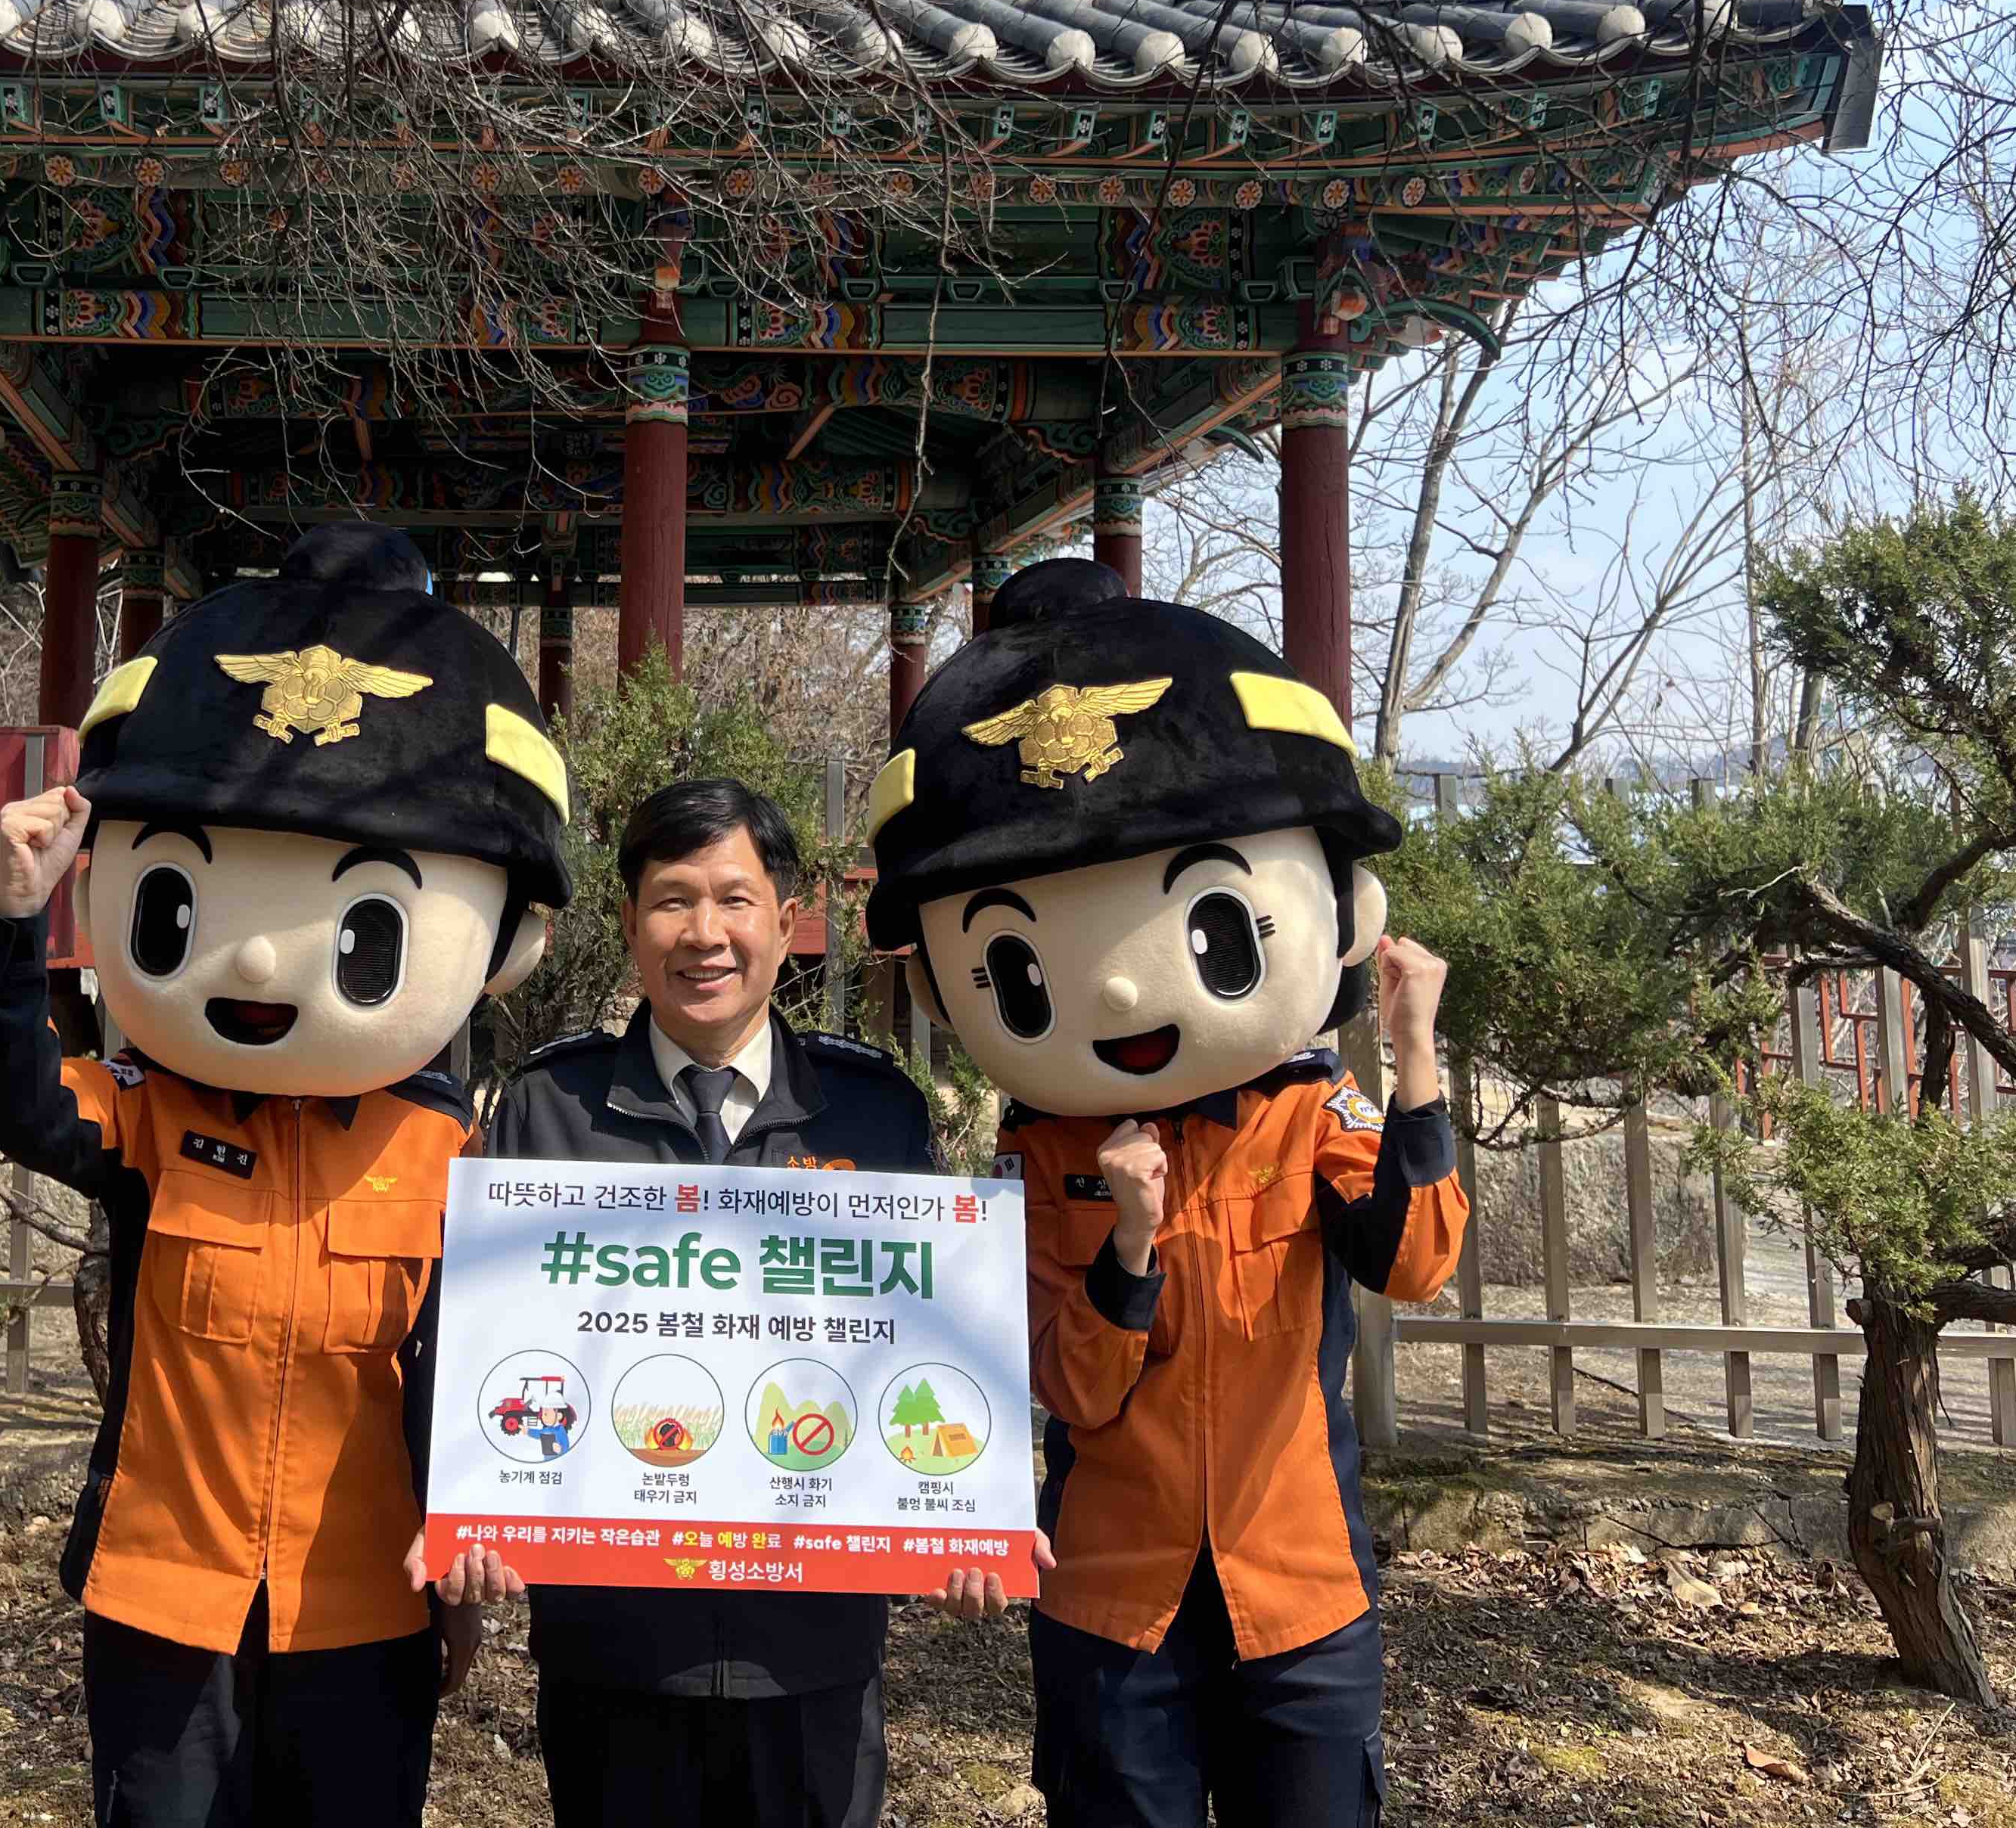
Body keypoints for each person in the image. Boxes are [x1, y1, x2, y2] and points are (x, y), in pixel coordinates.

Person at [0, 523, 572, 1828]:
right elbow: (14, 1105)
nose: (255, 963)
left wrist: (467, 1565)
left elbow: (480, 1381)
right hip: (164, 1596)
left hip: (364, 1604)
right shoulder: (151, 1120)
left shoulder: (449, 1156)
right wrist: (15, 918)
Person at [865, 557, 1470, 1828]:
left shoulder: (1307, 1112)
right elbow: (1070, 1386)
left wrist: (1414, 1059)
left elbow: (1414, 1260)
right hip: (1111, 1594)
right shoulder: (1041, 1158)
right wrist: (1129, 1249)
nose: (1123, 992)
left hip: (1297, 1586)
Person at [423, 776, 997, 1828]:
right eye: (672, 901)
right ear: (630, 922)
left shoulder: (873, 1116)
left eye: (735, 900)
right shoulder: (548, 1111)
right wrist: (469, 1516)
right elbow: (470, 1341)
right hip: (614, 1652)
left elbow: (935, 1343)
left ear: (786, 918)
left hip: (814, 1654)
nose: (705, 935)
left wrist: (966, 1520)